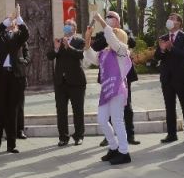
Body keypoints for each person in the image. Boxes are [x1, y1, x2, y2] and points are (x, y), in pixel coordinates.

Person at [83, 13, 132, 165]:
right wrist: (87, 38)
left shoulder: (122, 50)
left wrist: (102, 22)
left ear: (120, 38)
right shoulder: (105, 53)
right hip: (106, 90)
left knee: (117, 120)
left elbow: (111, 38)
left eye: (115, 33)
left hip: (117, 89)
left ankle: (124, 152)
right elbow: (90, 56)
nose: (110, 36)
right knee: (102, 120)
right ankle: (113, 147)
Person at [0, 5, 29, 155]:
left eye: (13, 21)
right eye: (8, 20)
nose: (11, 22)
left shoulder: (18, 37)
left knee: (13, 111)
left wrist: (19, 17)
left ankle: (11, 144)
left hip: (14, 76)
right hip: (0, 76)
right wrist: (8, 19)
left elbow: (26, 34)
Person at [94, 14, 140, 146]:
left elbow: (131, 42)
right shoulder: (102, 34)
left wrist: (119, 31)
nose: (109, 18)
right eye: (107, 17)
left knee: (127, 106)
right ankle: (108, 136)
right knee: (107, 107)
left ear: (118, 20)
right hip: (108, 75)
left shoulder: (125, 32)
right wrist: (108, 31)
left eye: (112, 17)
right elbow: (96, 47)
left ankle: (130, 135)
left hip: (122, 76)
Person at [156, 12, 184, 144]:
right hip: (167, 78)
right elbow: (157, 57)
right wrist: (161, 50)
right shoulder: (163, 37)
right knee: (169, 106)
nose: (169, 20)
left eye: (172, 18)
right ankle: (171, 134)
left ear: (179, 23)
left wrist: (171, 47)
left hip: (182, 77)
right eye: (168, 17)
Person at [47, 18, 86, 146]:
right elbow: (49, 56)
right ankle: (63, 137)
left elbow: (80, 55)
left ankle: (79, 136)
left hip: (76, 82)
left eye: (69, 25)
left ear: (74, 29)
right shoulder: (58, 41)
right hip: (60, 83)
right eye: (66, 25)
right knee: (61, 111)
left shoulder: (79, 41)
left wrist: (68, 47)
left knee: (78, 110)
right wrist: (57, 49)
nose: (67, 27)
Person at [16, 42, 30, 139]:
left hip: (20, 76)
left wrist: (24, 61)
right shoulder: (3, 38)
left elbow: (27, 56)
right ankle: (9, 130)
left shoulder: (22, 40)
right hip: (6, 76)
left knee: (20, 105)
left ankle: (20, 130)